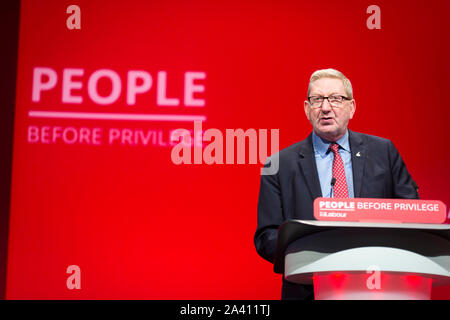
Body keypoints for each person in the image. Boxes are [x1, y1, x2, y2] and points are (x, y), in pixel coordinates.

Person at [254, 68, 418, 300]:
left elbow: (412, 216)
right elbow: (266, 236)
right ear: (306, 109)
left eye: (336, 99)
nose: (326, 107)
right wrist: (308, 256)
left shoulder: (384, 152)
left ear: (352, 107)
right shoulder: (280, 164)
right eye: (317, 99)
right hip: (308, 289)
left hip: (376, 286)